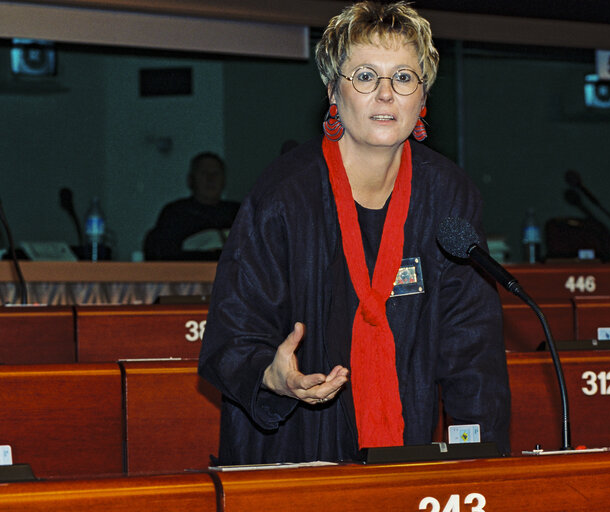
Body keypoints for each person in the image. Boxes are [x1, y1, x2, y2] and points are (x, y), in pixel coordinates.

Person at [198, 1, 510, 465]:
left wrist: (476, 468)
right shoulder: (284, 195)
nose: (386, 95)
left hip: (406, 450)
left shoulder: (449, 195)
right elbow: (231, 338)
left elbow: (472, 356)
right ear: (332, 91)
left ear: (422, 99)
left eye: (404, 78)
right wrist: (272, 376)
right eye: (365, 76)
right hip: (293, 447)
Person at [143, 152, 240, 260]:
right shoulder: (176, 214)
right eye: (204, 173)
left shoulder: (238, 213)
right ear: (191, 180)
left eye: (216, 173)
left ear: (224, 180)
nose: (210, 179)